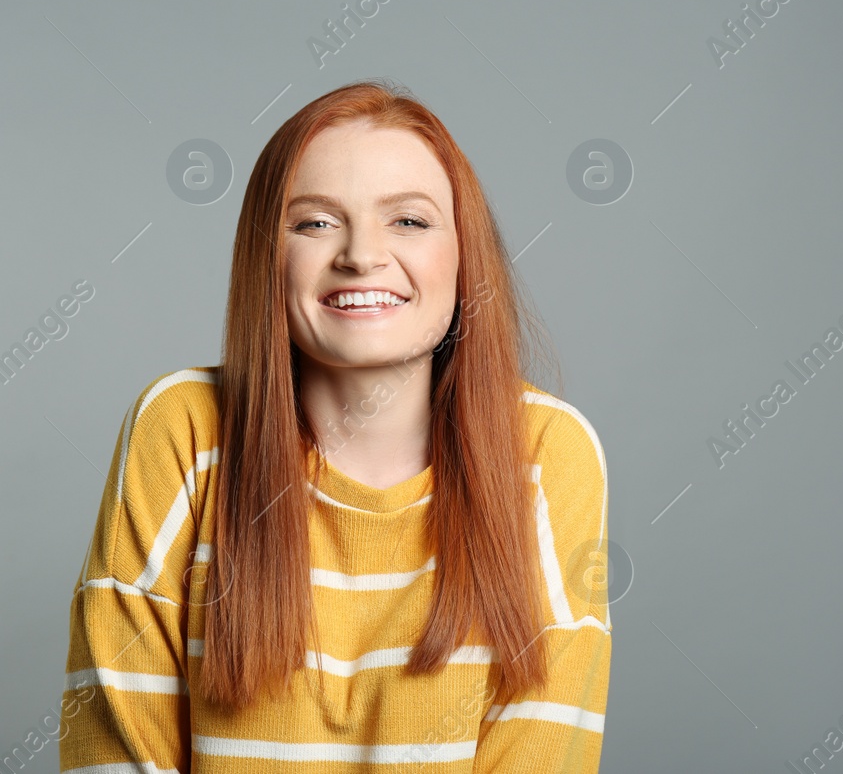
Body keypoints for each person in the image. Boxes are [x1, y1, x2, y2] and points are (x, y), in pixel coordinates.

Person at [59, 79, 611, 772]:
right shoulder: (180, 430)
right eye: (315, 222)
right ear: (267, 255)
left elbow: (544, 748)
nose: (360, 254)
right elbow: (114, 749)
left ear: (465, 255)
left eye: (408, 221)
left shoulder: (546, 454)